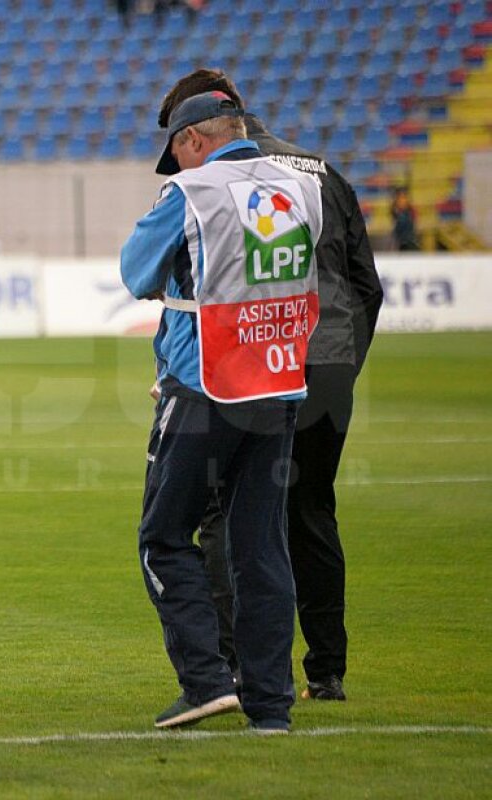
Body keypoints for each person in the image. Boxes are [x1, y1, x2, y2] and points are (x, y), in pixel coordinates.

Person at [157, 69, 384, 701]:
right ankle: (327, 672)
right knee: (311, 511)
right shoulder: (320, 172)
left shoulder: (213, 183)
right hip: (330, 359)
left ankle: (237, 669)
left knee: (226, 517)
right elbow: (367, 283)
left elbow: (199, 281)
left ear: (202, 128)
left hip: (255, 357)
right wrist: (340, 366)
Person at [120, 90, 323, 734]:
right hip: (281, 383)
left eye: (176, 154)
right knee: (261, 547)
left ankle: (206, 681)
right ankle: (271, 705)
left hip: (206, 384)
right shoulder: (302, 188)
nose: (176, 167)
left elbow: (135, 273)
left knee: (163, 538)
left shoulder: (191, 194)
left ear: (195, 141)